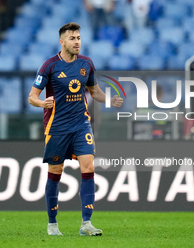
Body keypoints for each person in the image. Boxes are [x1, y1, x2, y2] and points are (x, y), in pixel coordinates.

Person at [28, 22, 123, 236]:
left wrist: (109, 99)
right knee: (55, 172)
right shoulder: (49, 66)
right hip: (57, 127)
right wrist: (42, 103)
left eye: (79, 38)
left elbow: (94, 92)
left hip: (81, 124)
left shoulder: (87, 64)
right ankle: (52, 224)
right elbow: (32, 96)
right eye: (72, 38)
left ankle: (86, 224)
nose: (77, 41)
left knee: (88, 167)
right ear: (62, 42)